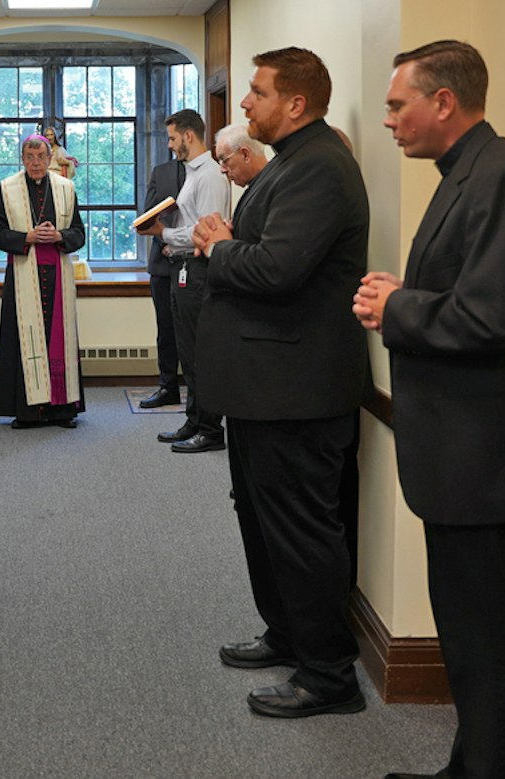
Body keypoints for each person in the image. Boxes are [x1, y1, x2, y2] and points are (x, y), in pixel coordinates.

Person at [352, 41, 505, 779]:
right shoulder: (465, 174)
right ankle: (469, 766)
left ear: (443, 101)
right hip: (460, 452)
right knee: (471, 636)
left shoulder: (504, 174)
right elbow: (467, 296)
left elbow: (495, 319)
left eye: (395, 104)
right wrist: (403, 298)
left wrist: (398, 306)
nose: (388, 120)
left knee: (490, 637)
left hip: (487, 452)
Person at [192, 47, 369, 720]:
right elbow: (269, 249)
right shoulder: (294, 164)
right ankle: (288, 633)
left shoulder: (320, 167)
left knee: (299, 527)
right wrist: (235, 241)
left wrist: (219, 246)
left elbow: (280, 269)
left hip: (296, 388)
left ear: (295, 103)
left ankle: (328, 673)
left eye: (257, 92)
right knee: (264, 519)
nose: (244, 103)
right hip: (267, 384)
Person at [142, 109, 232, 453]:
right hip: (181, 269)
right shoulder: (193, 174)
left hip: (197, 271)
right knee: (186, 350)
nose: (169, 145)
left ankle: (209, 429)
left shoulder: (209, 175)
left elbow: (204, 232)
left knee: (199, 353)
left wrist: (164, 232)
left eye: (172, 138)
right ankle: (194, 421)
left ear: (188, 136)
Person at [0, 133, 86, 427]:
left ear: (49, 158)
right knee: (23, 340)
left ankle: (62, 409)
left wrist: (60, 236)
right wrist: (25, 237)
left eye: (40, 157)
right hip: (22, 274)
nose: (35, 163)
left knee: (60, 339)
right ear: (22, 159)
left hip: (58, 276)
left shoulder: (66, 188)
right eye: (29, 158)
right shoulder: (7, 189)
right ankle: (27, 410)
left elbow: (79, 233)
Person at [139, 151, 186, 411]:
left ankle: (199, 389)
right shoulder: (161, 171)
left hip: (194, 262)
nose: (172, 143)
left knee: (191, 331)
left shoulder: (207, 173)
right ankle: (168, 386)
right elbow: (149, 216)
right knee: (166, 330)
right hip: (162, 264)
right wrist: (166, 241)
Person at [213, 123, 267, 188]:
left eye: (225, 161)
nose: (222, 170)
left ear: (245, 155)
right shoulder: (260, 185)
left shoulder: (274, 187)